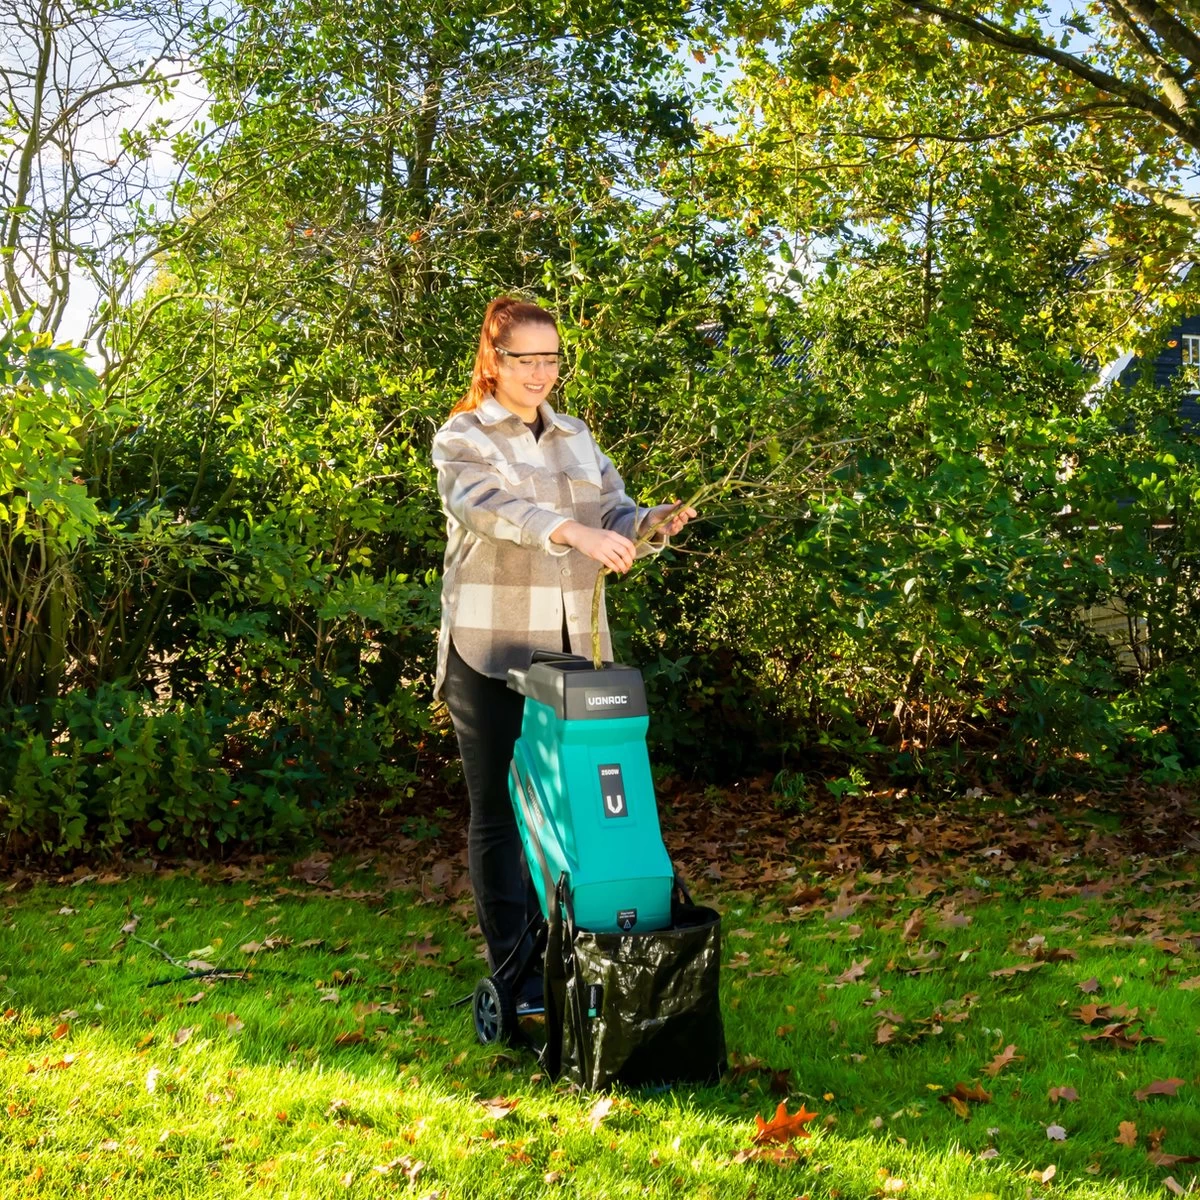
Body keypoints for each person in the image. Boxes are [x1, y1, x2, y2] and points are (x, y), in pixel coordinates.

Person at [432, 296, 695, 1010]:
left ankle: (575, 962)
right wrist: (570, 533)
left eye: (551, 358)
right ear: (494, 360)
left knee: (575, 810)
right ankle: (518, 980)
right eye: (526, 358)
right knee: (501, 815)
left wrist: (651, 523)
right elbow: (487, 507)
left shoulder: (576, 435)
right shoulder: (463, 438)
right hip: (489, 650)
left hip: (574, 657)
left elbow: (612, 511)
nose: (541, 372)